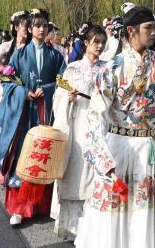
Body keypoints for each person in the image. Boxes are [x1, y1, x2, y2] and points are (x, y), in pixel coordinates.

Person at [76, 6, 155, 247]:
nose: (154, 33)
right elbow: (95, 119)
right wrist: (104, 162)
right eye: (148, 28)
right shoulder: (112, 69)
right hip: (120, 152)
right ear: (131, 31)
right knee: (117, 223)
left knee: (153, 220)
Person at [0, 11, 66, 226]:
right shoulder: (19, 53)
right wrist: (23, 91)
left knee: (44, 154)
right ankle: (19, 208)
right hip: (25, 114)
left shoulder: (56, 56)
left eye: (45, 26)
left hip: (45, 112)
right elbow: (7, 80)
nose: (42, 30)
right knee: (23, 155)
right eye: (37, 26)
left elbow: (64, 81)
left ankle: (42, 205)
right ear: (29, 29)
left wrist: (49, 88)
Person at [50, 25, 106, 240]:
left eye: (102, 42)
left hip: (100, 124)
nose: (99, 46)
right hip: (77, 124)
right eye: (96, 42)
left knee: (96, 171)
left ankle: (96, 227)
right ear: (86, 44)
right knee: (76, 171)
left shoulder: (108, 68)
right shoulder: (72, 68)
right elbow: (58, 96)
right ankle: (74, 228)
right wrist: (68, 98)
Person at [0, 11, 30, 183]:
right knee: (5, 128)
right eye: (24, 25)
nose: (26, 29)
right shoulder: (6, 47)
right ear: (15, 27)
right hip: (7, 93)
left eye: (29, 25)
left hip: (27, 94)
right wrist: (5, 75)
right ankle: (2, 170)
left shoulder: (31, 48)